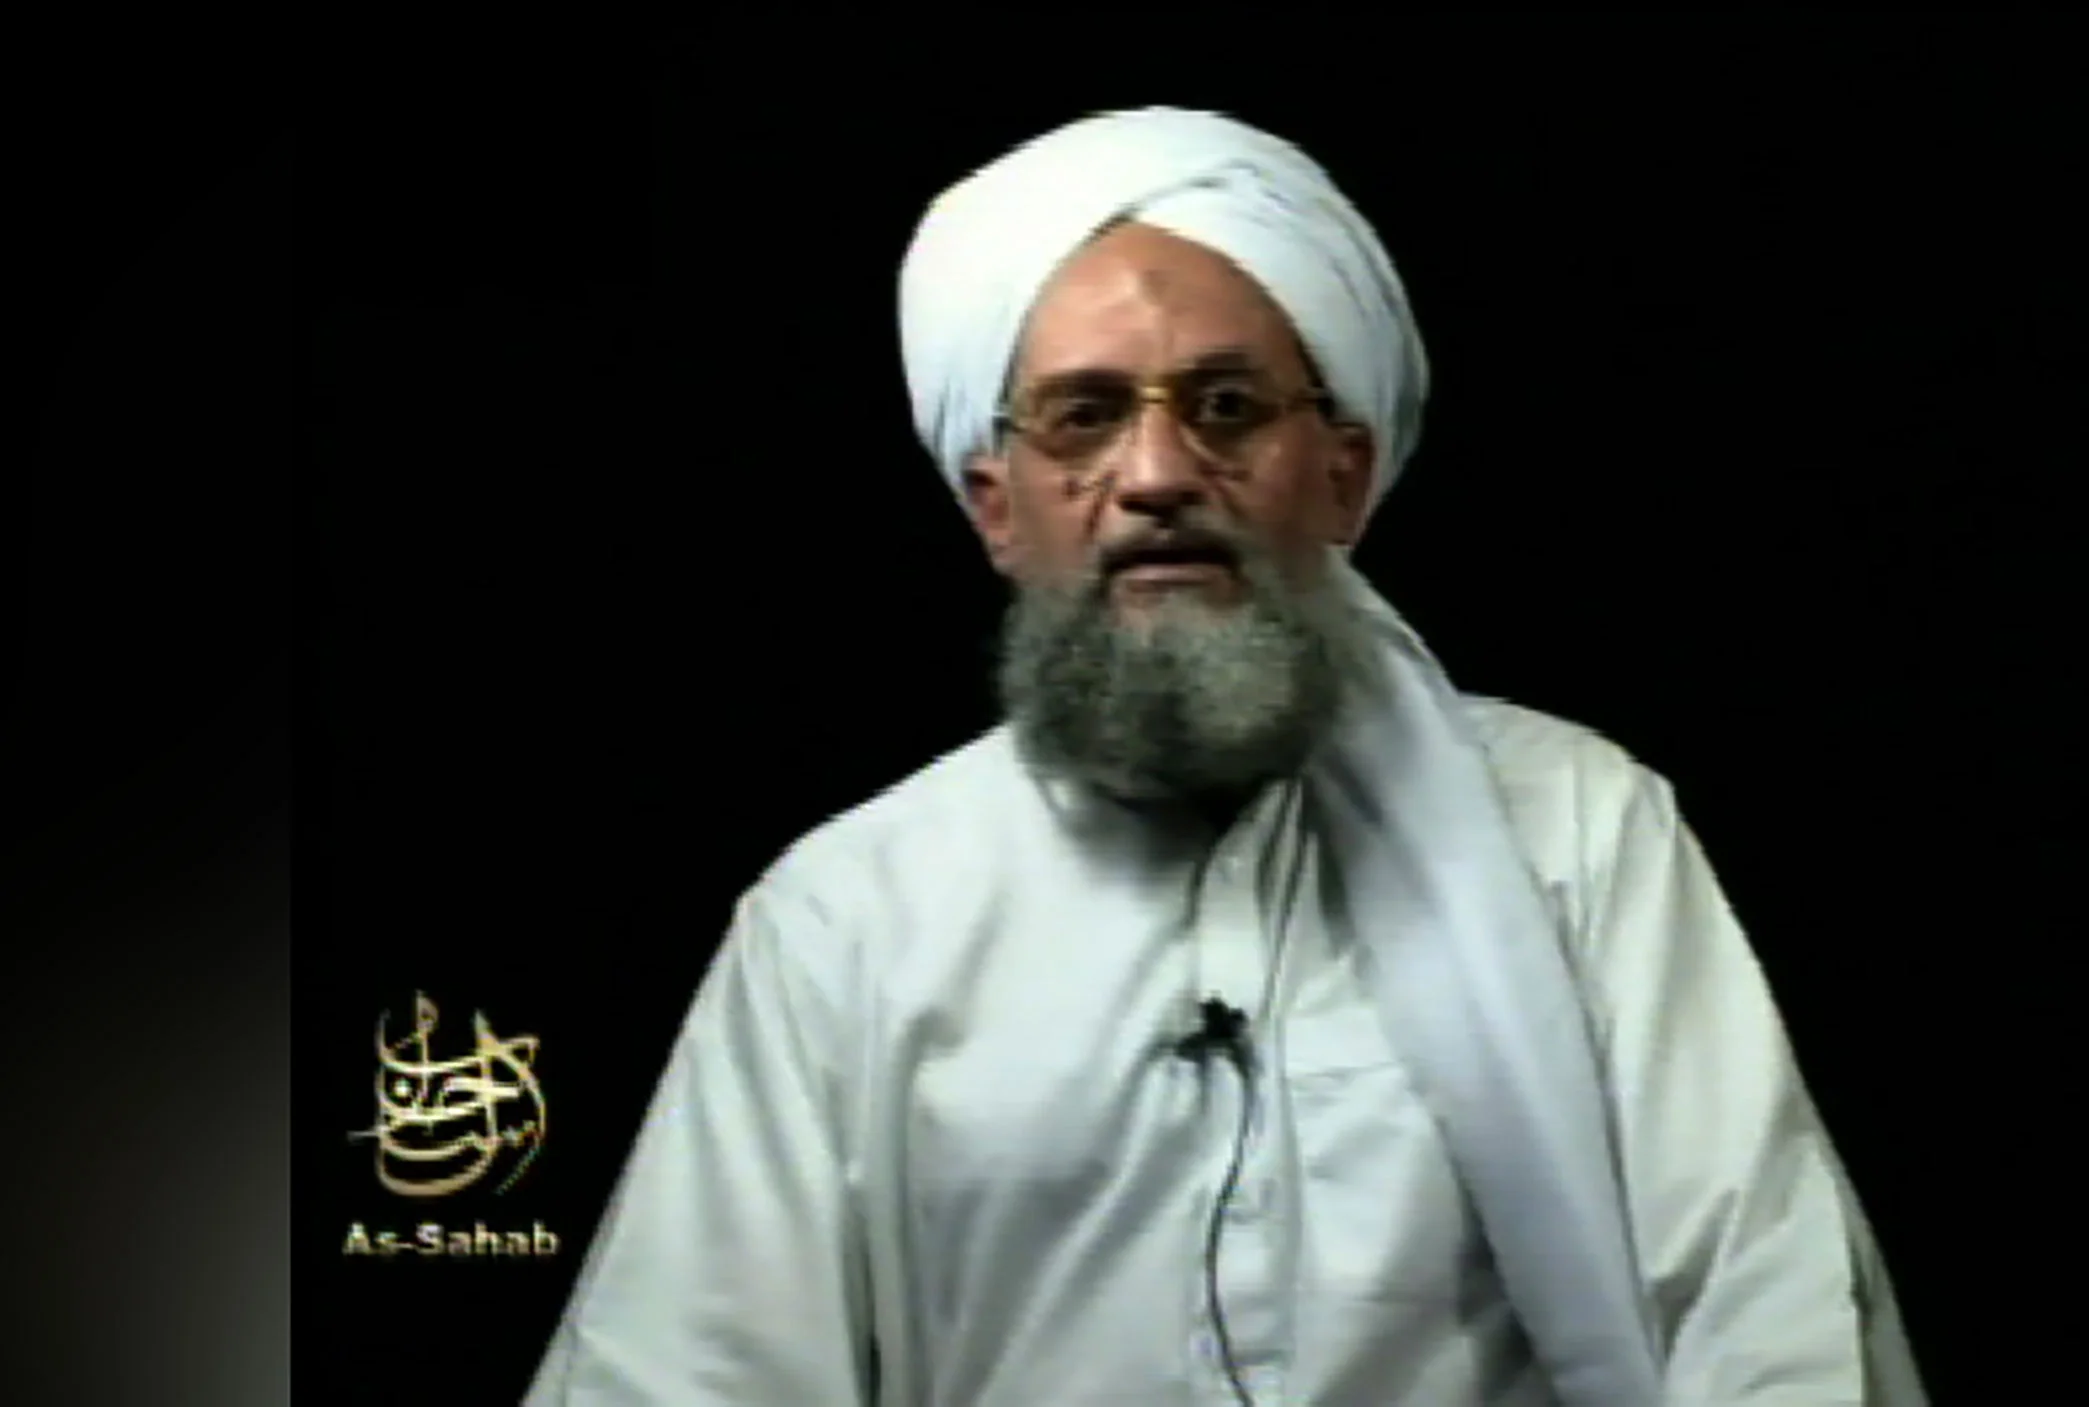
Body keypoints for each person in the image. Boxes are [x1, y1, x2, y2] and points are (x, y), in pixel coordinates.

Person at [526, 107, 1927, 1406]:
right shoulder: (848, 920)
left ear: (1345, 474)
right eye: (1084, 417)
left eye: (1228, 407)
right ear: (996, 505)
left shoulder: (1577, 830)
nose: (1156, 475)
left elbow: (1771, 1323)